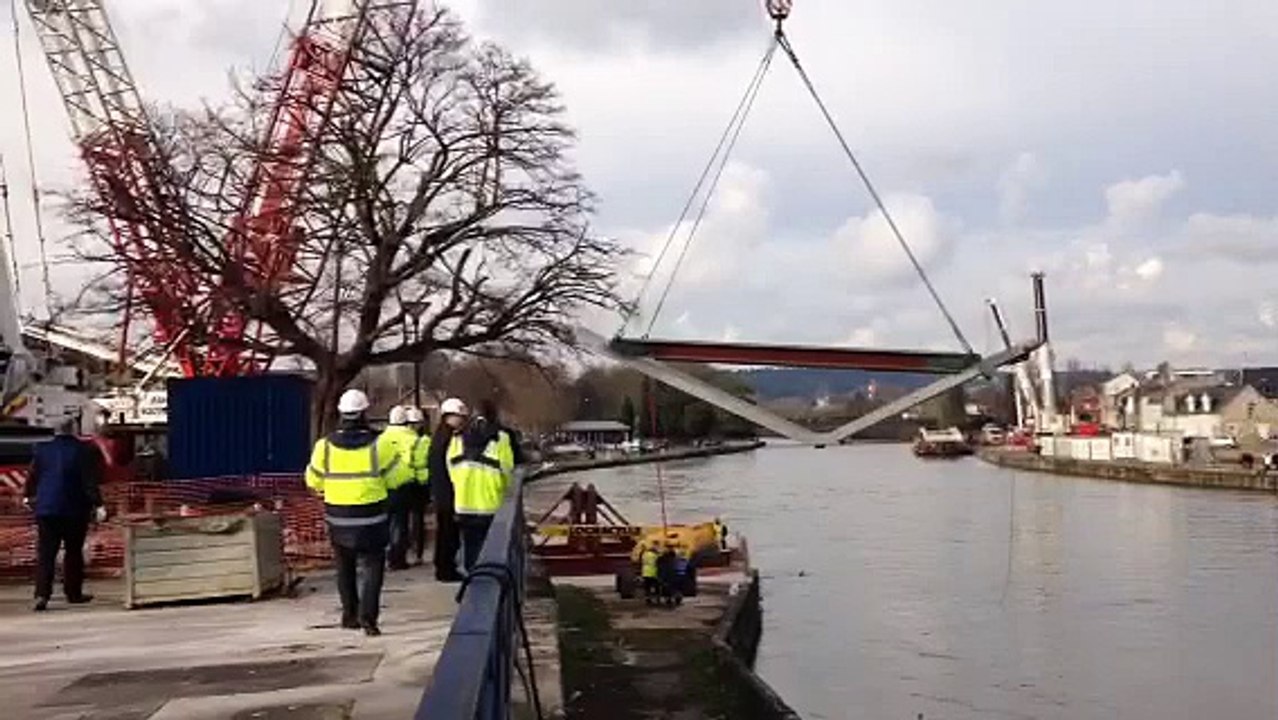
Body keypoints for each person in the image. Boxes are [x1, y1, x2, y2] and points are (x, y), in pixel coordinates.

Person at [306, 389, 409, 636]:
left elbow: (313, 480)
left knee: (344, 566)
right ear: (364, 413)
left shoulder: (324, 447)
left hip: (338, 517)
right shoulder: (380, 444)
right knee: (373, 566)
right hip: (372, 517)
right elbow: (399, 476)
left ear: (341, 414)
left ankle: (349, 615)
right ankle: (369, 619)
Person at [22, 418, 105, 612]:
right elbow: (89, 481)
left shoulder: (42, 450)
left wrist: (27, 496)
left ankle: (42, 595)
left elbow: (32, 475)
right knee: (73, 552)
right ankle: (73, 593)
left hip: (47, 509)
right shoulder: (84, 450)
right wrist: (99, 504)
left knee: (46, 553)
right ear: (75, 430)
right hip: (74, 509)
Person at [450, 406, 513, 571]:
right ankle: (489, 581)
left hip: (464, 504)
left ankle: (472, 579)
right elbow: (507, 470)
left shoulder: (457, 439)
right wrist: (503, 489)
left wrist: (460, 485)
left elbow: (450, 467)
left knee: (470, 546)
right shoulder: (501, 439)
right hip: (490, 503)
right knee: (492, 550)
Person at [428, 398, 468, 582]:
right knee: (448, 533)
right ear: (449, 416)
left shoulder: (440, 436)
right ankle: (446, 569)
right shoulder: (449, 439)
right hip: (448, 491)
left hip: (441, 490)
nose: (462, 420)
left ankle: (444, 566)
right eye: (459, 416)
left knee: (446, 532)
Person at [380, 405, 418, 571]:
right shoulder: (412, 438)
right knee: (400, 525)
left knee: (385, 525)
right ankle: (397, 559)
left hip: (383, 487)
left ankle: (385, 556)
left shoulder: (382, 439)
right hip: (404, 487)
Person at [404, 406, 431, 566]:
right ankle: (417, 552)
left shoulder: (403, 439)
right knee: (417, 520)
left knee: (407, 520)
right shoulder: (425, 440)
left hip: (407, 482)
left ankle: (410, 550)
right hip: (421, 483)